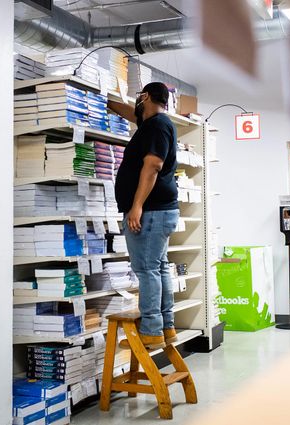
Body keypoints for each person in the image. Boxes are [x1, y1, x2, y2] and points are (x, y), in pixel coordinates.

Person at [108, 82, 179, 350]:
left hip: (150, 212)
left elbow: (152, 166)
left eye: (140, 97)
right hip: (159, 212)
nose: (137, 102)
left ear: (146, 96)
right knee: (158, 267)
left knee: (147, 270)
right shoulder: (152, 122)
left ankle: (151, 331)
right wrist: (101, 97)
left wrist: (136, 205)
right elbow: (130, 112)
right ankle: (166, 326)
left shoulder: (157, 126)